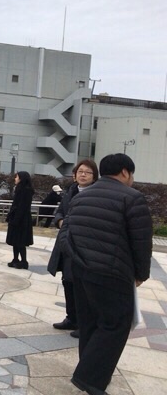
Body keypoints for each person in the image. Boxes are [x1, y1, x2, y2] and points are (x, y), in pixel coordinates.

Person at [60, 154, 152, 394]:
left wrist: (77, 259)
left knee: (89, 324)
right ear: (125, 172)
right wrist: (141, 274)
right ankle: (88, 378)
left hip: (81, 271)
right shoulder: (132, 198)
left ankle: (93, 375)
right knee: (115, 325)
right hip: (113, 273)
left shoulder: (81, 196)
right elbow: (142, 242)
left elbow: (66, 233)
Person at [47, 159, 98, 338]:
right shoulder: (71, 191)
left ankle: (85, 323)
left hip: (84, 245)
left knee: (82, 286)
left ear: (94, 176)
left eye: (88, 172)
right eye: (80, 171)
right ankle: (72, 318)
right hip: (66, 242)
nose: (83, 175)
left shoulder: (96, 193)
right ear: (75, 175)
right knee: (67, 280)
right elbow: (60, 212)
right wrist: (61, 221)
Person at [6, 171, 34, 269]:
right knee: (15, 240)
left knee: (20, 241)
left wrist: (16, 219)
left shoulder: (26, 191)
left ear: (21, 179)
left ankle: (24, 261)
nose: (15, 178)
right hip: (17, 217)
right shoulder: (19, 189)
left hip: (22, 219)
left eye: (17, 177)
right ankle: (15, 259)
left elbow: (22, 206)